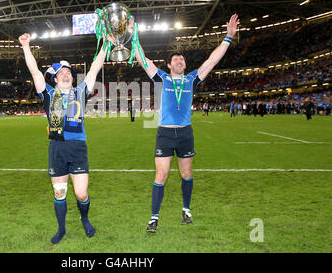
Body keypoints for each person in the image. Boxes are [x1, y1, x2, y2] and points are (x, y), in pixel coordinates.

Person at [134, 14, 240, 233]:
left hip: (185, 134)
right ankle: (154, 217)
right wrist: (133, 36)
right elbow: (143, 60)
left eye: (182, 59)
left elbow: (212, 60)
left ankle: (186, 210)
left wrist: (228, 37)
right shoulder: (163, 78)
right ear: (169, 64)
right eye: (176, 60)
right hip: (165, 132)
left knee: (186, 175)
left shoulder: (192, 78)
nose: (180, 61)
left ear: (185, 64)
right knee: (161, 175)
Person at [19, 32, 108, 244]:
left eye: (69, 72)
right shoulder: (49, 93)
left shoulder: (81, 91)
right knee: (59, 193)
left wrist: (106, 44)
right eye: (62, 73)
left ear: (72, 78)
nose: (66, 75)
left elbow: (95, 67)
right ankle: (61, 229)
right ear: (56, 79)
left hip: (78, 148)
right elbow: (34, 71)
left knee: (81, 194)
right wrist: (25, 46)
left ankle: (84, 218)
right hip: (57, 149)